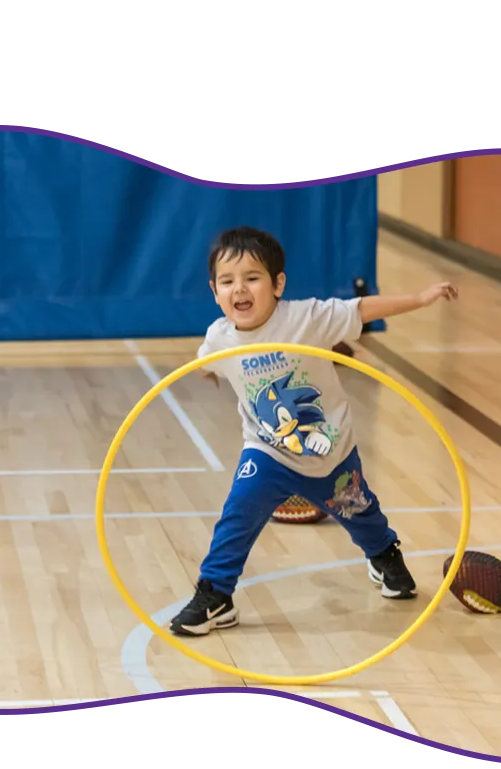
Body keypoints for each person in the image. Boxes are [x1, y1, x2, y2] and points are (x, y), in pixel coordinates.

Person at [170, 226, 458, 636]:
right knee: (238, 514)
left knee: (361, 514)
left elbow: (362, 309)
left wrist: (421, 298)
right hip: (267, 453)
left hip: (332, 453)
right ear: (215, 291)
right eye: (227, 281)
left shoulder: (307, 318)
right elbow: (205, 365)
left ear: (277, 284)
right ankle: (216, 594)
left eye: (252, 277)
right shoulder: (219, 338)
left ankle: (383, 554)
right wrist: (205, 373)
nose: (240, 289)